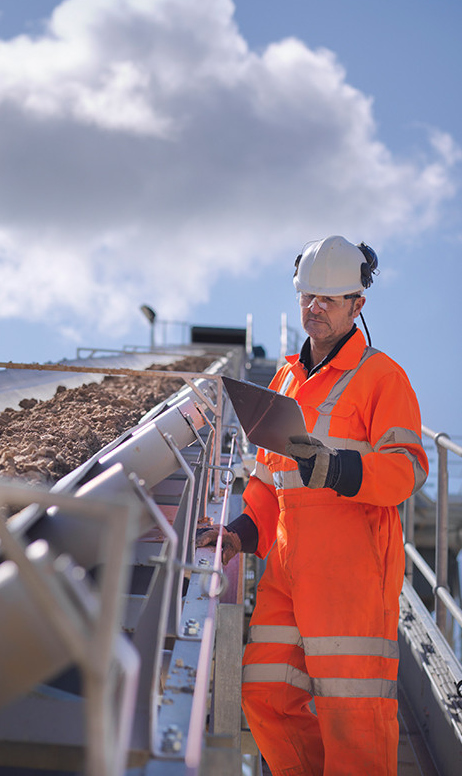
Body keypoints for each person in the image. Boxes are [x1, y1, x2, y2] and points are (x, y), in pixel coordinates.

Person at [197, 235, 428, 776]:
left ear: (357, 305)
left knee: (354, 714)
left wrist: (341, 469)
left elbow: (408, 468)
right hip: (286, 566)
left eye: (329, 298)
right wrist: (241, 534)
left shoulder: (381, 377)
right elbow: (265, 480)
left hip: (352, 570)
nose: (315, 308)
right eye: (308, 297)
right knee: (264, 696)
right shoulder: (283, 378)